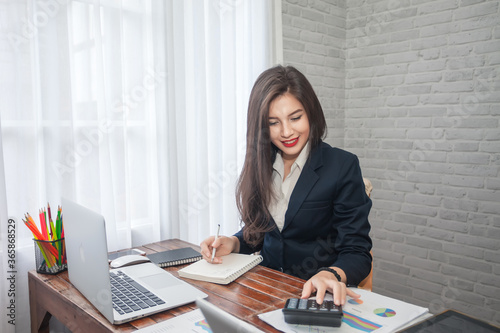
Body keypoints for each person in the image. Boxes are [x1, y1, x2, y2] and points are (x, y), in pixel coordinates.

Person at [200, 65, 372, 306]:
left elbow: (357, 252)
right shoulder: (261, 164)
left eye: (295, 118)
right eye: (273, 122)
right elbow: (262, 233)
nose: (287, 132)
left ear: (311, 112)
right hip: (265, 291)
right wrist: (234, 242)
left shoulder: (342, 165)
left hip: (315, 298)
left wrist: (330, 274)